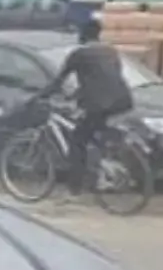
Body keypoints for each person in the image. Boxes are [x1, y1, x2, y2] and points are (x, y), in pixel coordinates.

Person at [35, 16, 134, 190]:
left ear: (82, 35)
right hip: (122, 100)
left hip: (99, 104)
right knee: (94, 131)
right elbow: (103, 79)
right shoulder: (111, 51)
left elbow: (58, 81)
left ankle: (75, 189)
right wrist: (75, 95)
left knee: (77, 140)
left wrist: (39, 96)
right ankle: (103, 162)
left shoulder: (79, 54)